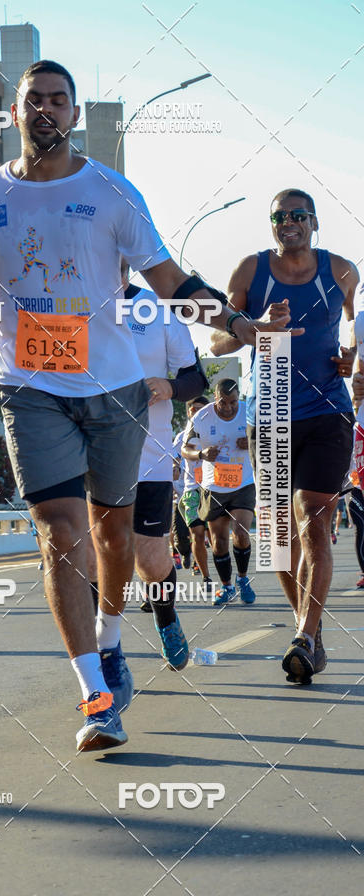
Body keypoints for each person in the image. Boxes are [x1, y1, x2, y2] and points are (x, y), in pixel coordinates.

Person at [0, 61, 293, 751]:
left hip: (115, 393)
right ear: (14, 113)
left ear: (71, 115)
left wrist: (240, 326)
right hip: (30, 391)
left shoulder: (112, 193)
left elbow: (171, 278)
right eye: (34, 100)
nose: (46, 110)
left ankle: (114, 638)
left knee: (113, 539)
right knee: (60, 534)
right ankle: (96, 694)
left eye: (58, 101)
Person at [211, 189, 358, 682]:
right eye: (279, 216)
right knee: (277, 539)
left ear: (314, 222)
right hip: (269, 411)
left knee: (312, 519)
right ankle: (308, 630)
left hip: (327, 413)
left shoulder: (341, 270)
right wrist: (253, 326)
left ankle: (305, 634)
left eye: (297, 215)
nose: (287, 223)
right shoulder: (249, 271)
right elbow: (217, 338)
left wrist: (353, 357)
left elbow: (354, 326)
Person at [121, 262, 207, 669]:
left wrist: (170, 386)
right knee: (88, 556)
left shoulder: (155, 309)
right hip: (86, 455)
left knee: (150, 560)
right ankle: (103, 652)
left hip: (148, 458)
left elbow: (195, 378)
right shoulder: (73, 306)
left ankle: (166, 617)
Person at [182, 380, 256, 605]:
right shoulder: (201, 417)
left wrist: (254, 442)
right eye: (224, 403)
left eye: (233, 402)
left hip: (243, 482)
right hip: (213, 485)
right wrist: (202, 455)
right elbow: (186, 449)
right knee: (219, 541)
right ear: (216, 398)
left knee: (241, 532)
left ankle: (243, 578)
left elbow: (273, 437)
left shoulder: (248, 411)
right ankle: (226, 587)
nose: (229, 408)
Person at [176, 397, 212, 589]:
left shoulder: (215, 431)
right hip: (191, 491)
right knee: (197, 534)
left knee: (216, 535)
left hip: (213, 489)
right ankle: (206, 577)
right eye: (192, 410)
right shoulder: (182, 436)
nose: (195, 413)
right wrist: (174, 468)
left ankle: (226, 573)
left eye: (200, 409)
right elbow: (173, 457)